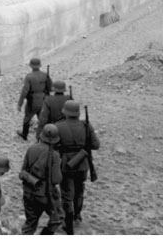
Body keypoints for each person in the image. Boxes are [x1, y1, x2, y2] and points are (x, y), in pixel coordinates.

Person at [55, 100, 100, 235]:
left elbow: (53, 145)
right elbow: (96, 145)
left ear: (65, 112)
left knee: (67, 195)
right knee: (79, 191)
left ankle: (68, 225)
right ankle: (77, 216)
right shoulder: (86, 126)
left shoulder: (58, 126)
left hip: (66, 165)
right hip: (82, 164)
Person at [19, 124, 64, 235]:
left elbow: (23, 170)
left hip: (28, 192)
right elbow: (56, 179)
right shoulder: (55, 155)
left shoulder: (31, 149)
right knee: (58, 218)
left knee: (30, 224)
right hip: (45, 195)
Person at [17, 58, 52, 140]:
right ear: (39, 65)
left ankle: (24, 134)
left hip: (32, 100)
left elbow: (25, 91)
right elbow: (51, 87)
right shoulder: (45, 75)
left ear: (31, 66)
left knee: (27, 118)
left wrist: (20, 104)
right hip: (43, 99)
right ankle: (46, 135)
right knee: (42, 118)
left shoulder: (29, 77)